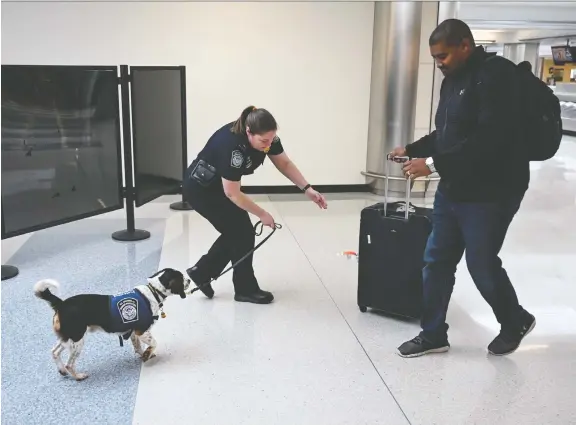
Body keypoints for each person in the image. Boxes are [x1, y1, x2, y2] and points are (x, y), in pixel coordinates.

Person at [390, 19, 535, 357]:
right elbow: (447, 134)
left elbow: (489, 140)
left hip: (492, 190)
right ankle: (433, 334)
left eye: (443, 57)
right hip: (455, 188)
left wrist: (433, 165)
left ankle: (514, 319)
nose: (439, 64)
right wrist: (413, 149)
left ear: (465, 46)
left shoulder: (496, 76)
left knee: (481, 263)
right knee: (436, 260)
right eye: (436, 58)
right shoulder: (452, 81)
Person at [183, 106, 328, 304]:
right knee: (241, 232)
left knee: (239, 232)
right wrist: (262, 214)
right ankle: (243, 289)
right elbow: (232, 193)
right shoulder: (233, 147)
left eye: (271, 140)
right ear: (249, 132)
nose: (268, 145)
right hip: (202, 190)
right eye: (263, 141)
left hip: (220, 187)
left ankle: (203, 272)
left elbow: (284, 163)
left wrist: (307, 188)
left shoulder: (268, 138)